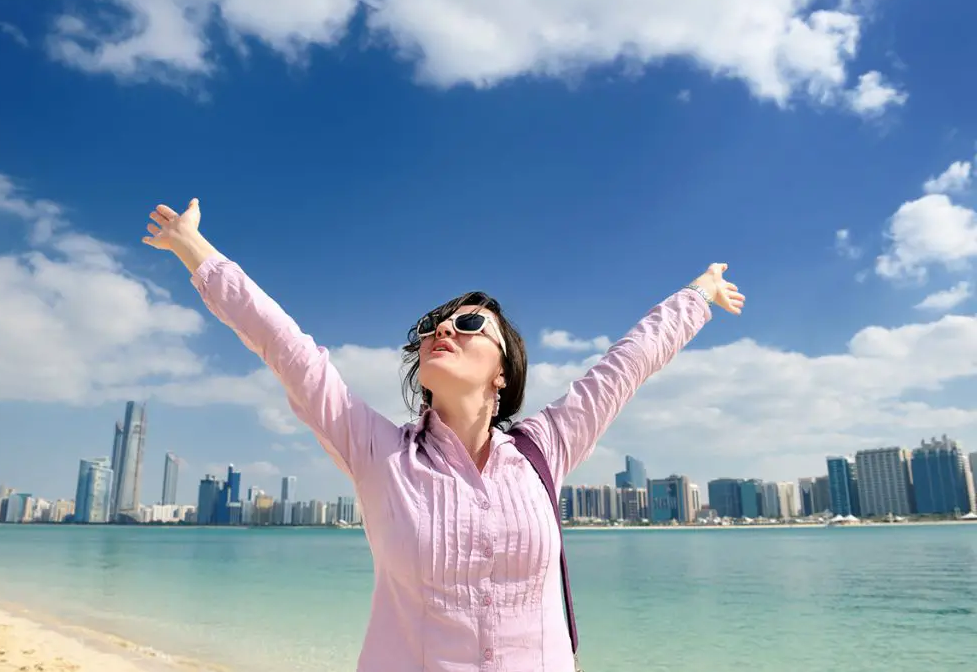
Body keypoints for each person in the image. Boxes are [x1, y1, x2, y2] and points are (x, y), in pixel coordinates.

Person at [143, 198, 745, 672]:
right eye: (431, 326)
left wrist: (698, 296)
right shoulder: (378, 452)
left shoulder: (546, 447)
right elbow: (288, 349)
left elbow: (627, 363)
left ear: (504, 369)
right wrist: (193, 247)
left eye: (468, 324)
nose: (442, 332)